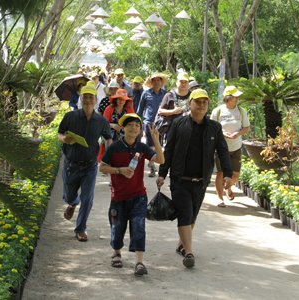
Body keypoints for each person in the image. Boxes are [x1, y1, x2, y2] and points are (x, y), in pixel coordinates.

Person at [156, 89, 233, 268]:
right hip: (180, 179)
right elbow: (169, 150)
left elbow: (222, 151)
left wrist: (227, 174)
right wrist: (162, 173)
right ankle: (189, 253)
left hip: (201, 181)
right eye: (197, 102)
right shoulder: (178, 124)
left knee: (192, 216)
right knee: (185, 214)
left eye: (204, 102)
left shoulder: (215, 127)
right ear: (189, 104)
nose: (201, 105)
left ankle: (182, 244)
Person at [99, 114, 164, 276]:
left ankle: (139, 262)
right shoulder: (114, 147)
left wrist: (156, 141)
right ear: (123, 128)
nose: (134, 128)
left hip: (138, 196)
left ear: (140, 130)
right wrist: (118, 170)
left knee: (138, 227)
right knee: (118, 227)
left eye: (137, 125)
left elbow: (161, 160)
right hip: (118, 196)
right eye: (130, 125)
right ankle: (116, 253)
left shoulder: (141, 148)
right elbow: (102, 167)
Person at [58, 84, 112, 242]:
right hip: (71, 164)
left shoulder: (101, 121)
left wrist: (108, 151)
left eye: (91, 97)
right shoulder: (70, 117)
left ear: (96, 100)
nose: (88, 100)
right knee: (69, 195)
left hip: (90, 165)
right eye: (85, 97)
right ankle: (72, 203)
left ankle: (80, 229)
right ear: (81, 99)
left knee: (87, 197)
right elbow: (60, 133)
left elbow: (108, 137)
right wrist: (64, 140)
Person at [210, 86, 250, 207]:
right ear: (228, 98)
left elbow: (246, 127)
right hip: (221, 148)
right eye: (235, 96)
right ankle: (219, 197)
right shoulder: (218, 111)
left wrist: (237, 133)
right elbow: (211, 128)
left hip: (236, 147)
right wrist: (222, 133)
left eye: (238, 96)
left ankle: (228, 188)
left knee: (236, 175)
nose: (237, 99)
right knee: (220, 174)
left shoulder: (242, 111)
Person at [137, 72, 167, 177]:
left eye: (158, 80)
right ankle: (152, 165)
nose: (156, 82)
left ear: (161, 82)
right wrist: (138, 122)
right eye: (154, 80)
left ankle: (152, 162)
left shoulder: (166, 94)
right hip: (148, 121)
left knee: (158, 144)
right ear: (151, 82)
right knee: (151, 145)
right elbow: (140, 109)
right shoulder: (146, 93)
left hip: (161, 123)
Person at [97, 89, 135, 163]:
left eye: (123, 99)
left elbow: (134, 122)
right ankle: (107, 162)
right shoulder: (109, 108)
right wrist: (112, 125)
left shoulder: (130, 109)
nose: (121, 101)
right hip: (110, 133)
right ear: (116, 99)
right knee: (109, 139)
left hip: (125, 133)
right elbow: (103, 123)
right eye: (119, 98)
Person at [156, 73, 191, 141]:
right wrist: (173, 112)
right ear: (177, 82)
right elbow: (160, 111)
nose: (183, 84)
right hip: (173, 129)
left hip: (190, 129)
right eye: (181, 82)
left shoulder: (193, 95)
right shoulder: (169, 95)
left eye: (185, 82)